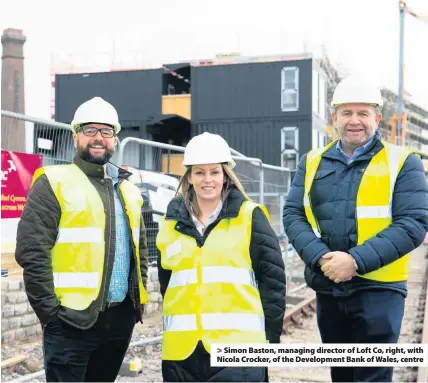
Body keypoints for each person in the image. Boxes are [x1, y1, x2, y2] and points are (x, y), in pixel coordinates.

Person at [283, 74, 428, 382]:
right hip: (330, 289)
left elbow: (413, 223)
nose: (355, 120)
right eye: (347, 112)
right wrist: (322, 258)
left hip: (380, 292)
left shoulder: (403, 163)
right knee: (343, 375)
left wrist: (355, 261)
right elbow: (293, 214)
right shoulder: (311, 162)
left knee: (372, 377)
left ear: (377, 118)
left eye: (363, 113)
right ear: (334, 116)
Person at [15, 97, 150, 382]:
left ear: (115, 139)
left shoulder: (129, 190)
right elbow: (32, 250)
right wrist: (50, 315)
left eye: (106, 131)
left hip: (119, 320)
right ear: (75, 135)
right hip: (70, 322)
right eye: (90, 130)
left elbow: (141, 250)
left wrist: (135, 303)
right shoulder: (53, 182)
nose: (98, 138)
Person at [156, 132, 286, 382]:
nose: (208, 180)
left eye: (214, 172)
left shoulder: (250, 217)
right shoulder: (170, 223)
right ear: (189, 177)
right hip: (182, 353)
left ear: (226, 175)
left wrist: (270, 342)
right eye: (200, 172)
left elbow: (273, 282)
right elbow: (168, 283)